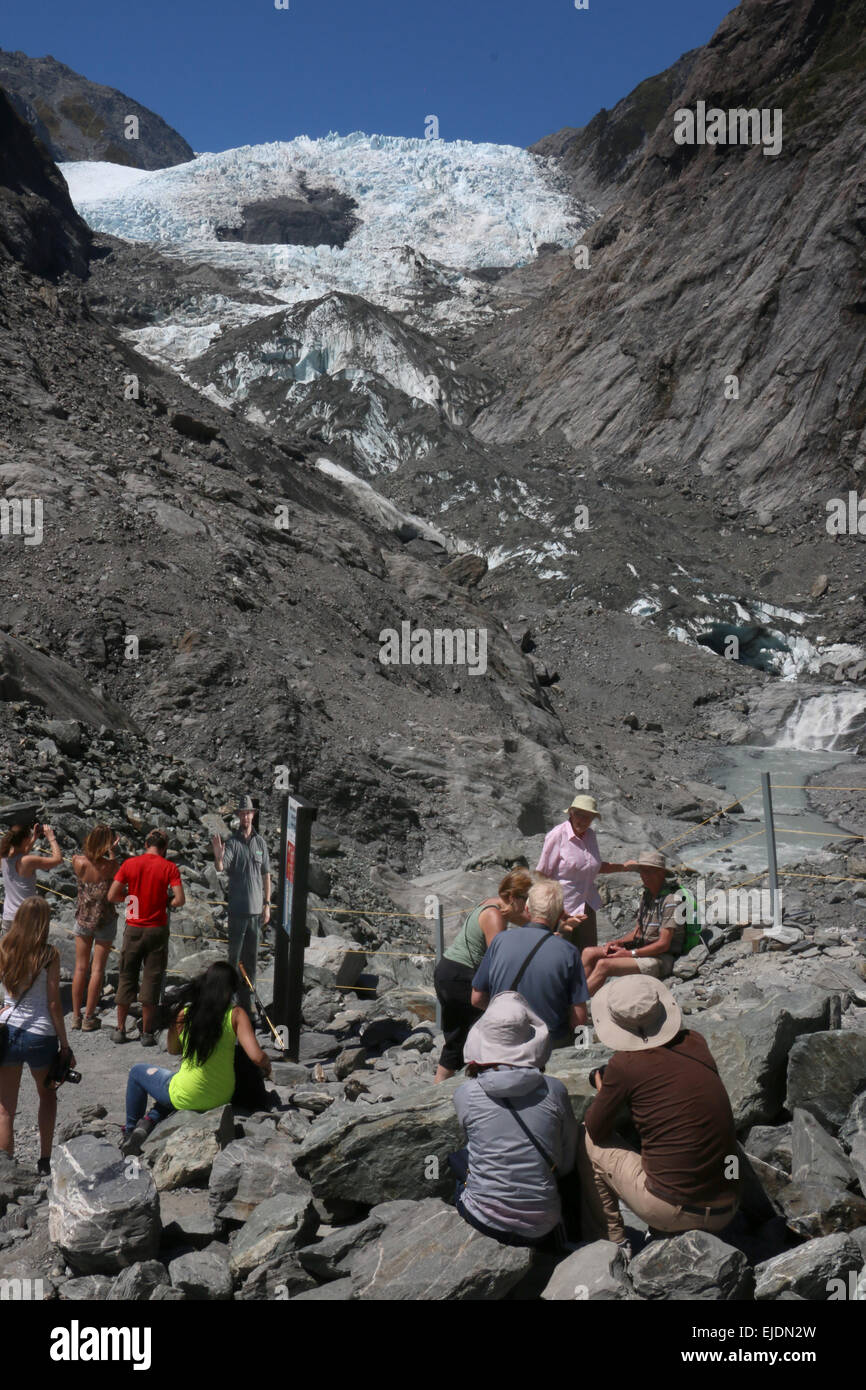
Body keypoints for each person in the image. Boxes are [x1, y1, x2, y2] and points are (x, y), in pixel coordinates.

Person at [578, 976, 739, 1256]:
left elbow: (597, 1128)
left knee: (588, 1141)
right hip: (729, 1205)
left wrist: (606, 1089)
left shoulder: (624, 1065)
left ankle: (613, 1244)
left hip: (674, 1209)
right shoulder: (695, 1042)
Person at [452, 991, 578, 1247]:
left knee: (457, 1160)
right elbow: (566, 1163)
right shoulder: (555, 1090)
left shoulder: (466, 1094)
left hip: (484, 1217)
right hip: (544, 1221)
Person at [120, 961, 272, 1156]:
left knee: (137, 1072)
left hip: (188, 1093)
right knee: (176, 1089)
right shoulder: (236, 1014)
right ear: (231, 989)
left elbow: (173, 1050)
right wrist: (267, 1067)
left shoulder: (185, 1013)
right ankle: (149, 1121)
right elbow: (257, 1056)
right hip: (221, 1096)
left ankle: (130, 1130)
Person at [433, 869, 533, 1083]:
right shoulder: (494, 916)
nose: (528, 905)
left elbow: (525, 919)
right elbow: (498, 959)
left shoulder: (492, 903)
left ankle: (438, 1089)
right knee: (493, 1027)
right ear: (513, 897)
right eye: (526, 899)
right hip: (462, 975)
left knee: (456, 1039)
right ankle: (489, 1084)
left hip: (447, 971)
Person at [0, 899, 74, 1173]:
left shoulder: (5, 947)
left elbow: (7, 991)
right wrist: (64, 1045)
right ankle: (44, 1160)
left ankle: (6, 1169)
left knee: (5, 1108)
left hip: (8, 1029)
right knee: (47, 1096)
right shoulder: (49, 954)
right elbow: (54, 1002)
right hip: (40, 1033)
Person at [471, 879, 589, 1045]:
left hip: (503, 1038)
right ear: (561, 914)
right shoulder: (568, 952)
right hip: (549, 1043)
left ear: (527, 909)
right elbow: (579, 1017)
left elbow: (476, 998)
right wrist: (581, 1048)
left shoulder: (499, 941)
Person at [107, 829, 185, 1046]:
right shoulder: (169, 867)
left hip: (133, 927)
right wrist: (164, 902)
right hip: (157, 929)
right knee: (151, 979)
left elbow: (112, 895)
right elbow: (179, 900)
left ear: (145, 843)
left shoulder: (130, 864)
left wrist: (131, 898)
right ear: (164, 847)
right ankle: (147, 1033)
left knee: (126, 976)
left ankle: (120, 1029)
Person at [536, 796, 637, 951]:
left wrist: (623, 867)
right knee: (559, 952)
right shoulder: (558, 834)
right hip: (562, 907)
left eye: (588, 817)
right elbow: (542, 874)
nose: (583, 821)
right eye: (579, 815)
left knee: (586, 951)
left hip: (586, 904)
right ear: (571, 813)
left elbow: (593, 866)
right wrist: (557, 910)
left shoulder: (590, 835)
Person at [581, 850, 685, 996]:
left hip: (660, 958)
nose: (645, 876)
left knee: (604, 965)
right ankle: (574, 995)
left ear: (661, 873)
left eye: (651, 871)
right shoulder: (647, 895)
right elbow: (638, 931)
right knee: (589, 952)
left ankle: (575, 1006)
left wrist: (630, 954)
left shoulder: (671, 901)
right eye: (643, 871)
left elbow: (663, 944)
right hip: (641, 949)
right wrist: (619, 942)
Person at [211, 797, 271, 1016]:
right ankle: (230, 1001)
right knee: (234, 958)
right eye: (242, 813)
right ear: (238, 816)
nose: (246, 817)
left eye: (249, 813)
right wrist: (218, 856)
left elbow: (266, 874)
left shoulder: (260, 843)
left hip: (256, 911)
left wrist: (267, 904)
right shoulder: (233, 842)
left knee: (251, 960)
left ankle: (248, 1004)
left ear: (253, 815)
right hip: (237, 910)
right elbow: (221, 867)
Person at [70, 824, 120, 1031]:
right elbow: (118, 877)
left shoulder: (77, 861)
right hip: (105, 920)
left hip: (83, 918)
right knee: (97, 969)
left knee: (80, 968)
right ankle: (89, 1017)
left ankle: (75, 1015)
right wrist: (113, 853)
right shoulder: (111, 866)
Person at [1, 822, 62, 931]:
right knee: (29, 948)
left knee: (11, 948)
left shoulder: (4, 856)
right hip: (25, 917)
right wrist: (51, 838)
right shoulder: (28, 861)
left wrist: (33, 838)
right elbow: (57, 860)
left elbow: (21, 853)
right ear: (24, 840)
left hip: (9, 916)